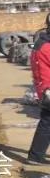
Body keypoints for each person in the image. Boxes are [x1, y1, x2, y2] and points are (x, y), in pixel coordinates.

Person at [27, 15, 50, 164]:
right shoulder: (46, 47)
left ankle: (35, 155)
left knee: (47, 122)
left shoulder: (41, 43)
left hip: (44, 88)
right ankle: (35, 156)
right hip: (48, 88)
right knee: (47, 123)